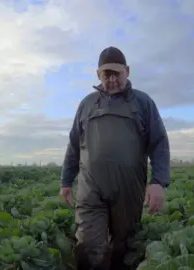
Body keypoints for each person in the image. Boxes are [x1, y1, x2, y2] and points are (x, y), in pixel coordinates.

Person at [59, 46, 171, 270]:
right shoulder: (87, 104)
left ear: (127, 71)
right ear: (98, 74)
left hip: (128, 191)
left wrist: (158, 182)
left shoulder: (143, 103)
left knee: (125, 248)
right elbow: (74, 145)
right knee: (90, 246)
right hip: (91, 188)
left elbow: (159, 143)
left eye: (116, 73)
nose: (111, 79)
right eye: (106, 74)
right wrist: (66, 181)